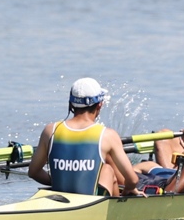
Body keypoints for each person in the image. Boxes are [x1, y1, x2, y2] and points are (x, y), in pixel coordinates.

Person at [30, 79, 169, 199]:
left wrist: (61, 181)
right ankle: (115, 213)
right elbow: (132, 180)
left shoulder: (50, 131)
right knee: (107, 170)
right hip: (91, 204)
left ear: (71, 104)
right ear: (100, 104)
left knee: (107, 169)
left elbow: (33, 172)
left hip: (61, 199)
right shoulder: (107, 135)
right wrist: (129, 190)